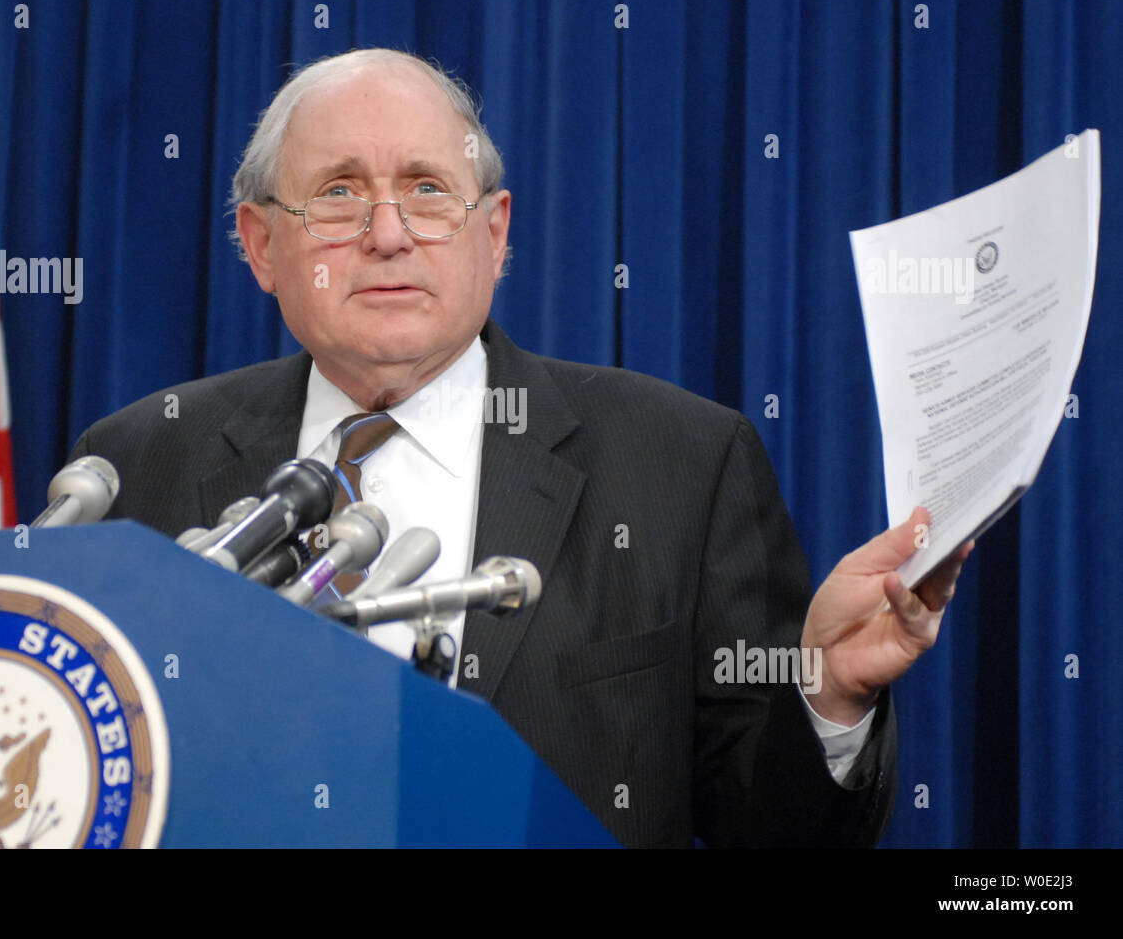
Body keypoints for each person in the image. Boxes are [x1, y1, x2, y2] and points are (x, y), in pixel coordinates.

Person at [70, 48, 972, 847]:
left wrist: (827, 698)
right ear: (262, 244)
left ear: (493, 234)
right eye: (340, 193)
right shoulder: (139, 465)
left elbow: (773, 831)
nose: (388, 234)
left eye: (428, 189)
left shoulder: (681, 464)